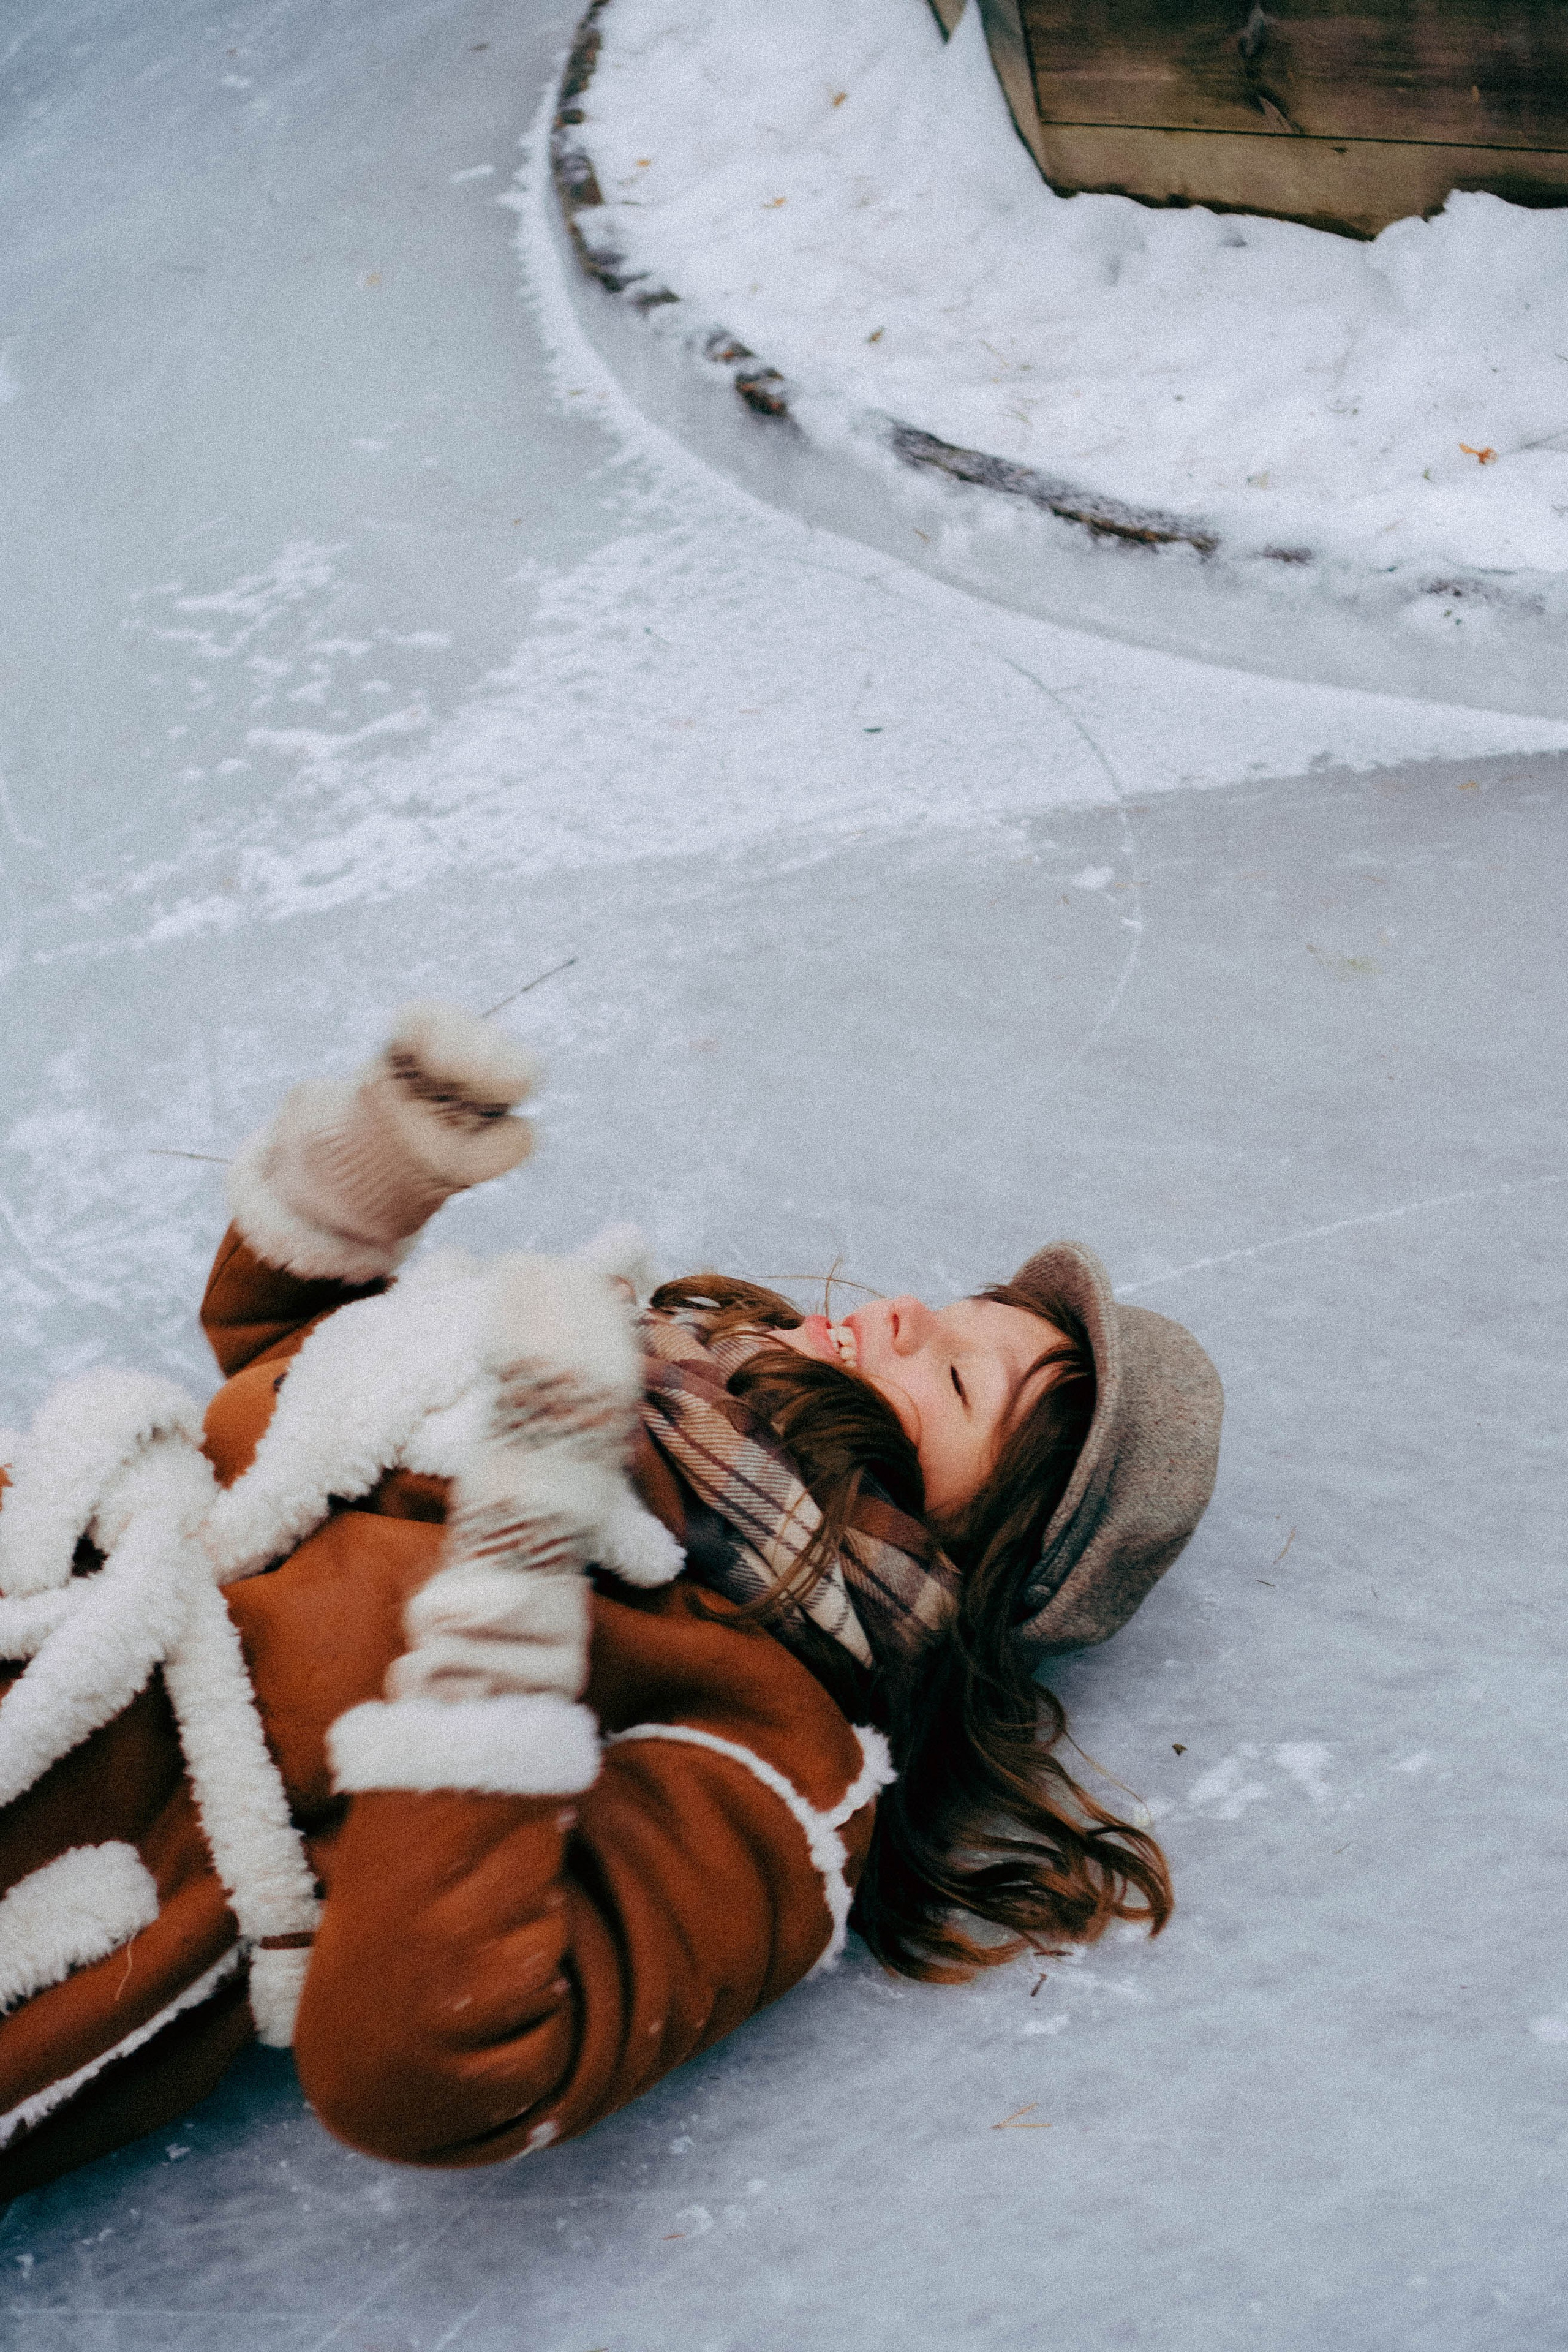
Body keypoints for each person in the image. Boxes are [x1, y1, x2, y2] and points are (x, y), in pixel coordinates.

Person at [0, 1005, 1222, 2196]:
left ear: (981, 1548)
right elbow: (280, 1429)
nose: (899, 1312)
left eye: (954, 1378)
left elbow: (433, 2071)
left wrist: (510, 1596)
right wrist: (357, 1193)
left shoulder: (787, 1737)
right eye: (949, 1314)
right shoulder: (623, 1360)